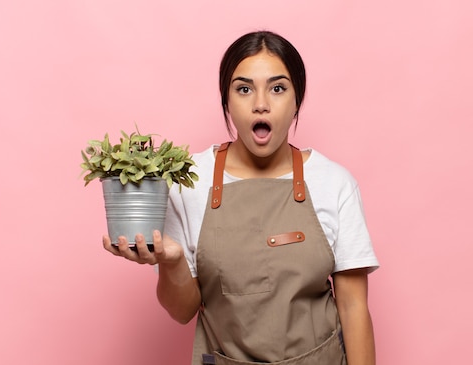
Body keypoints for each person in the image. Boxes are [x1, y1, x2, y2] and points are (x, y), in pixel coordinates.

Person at [103, 30, 379, 365]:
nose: (260, 103)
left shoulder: (333, 183)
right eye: (244, 89)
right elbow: (181, 310)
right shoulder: (191, 182)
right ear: (226, 102)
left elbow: (353, 309)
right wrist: (171, 261)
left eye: (278, 88)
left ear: (297, 101)